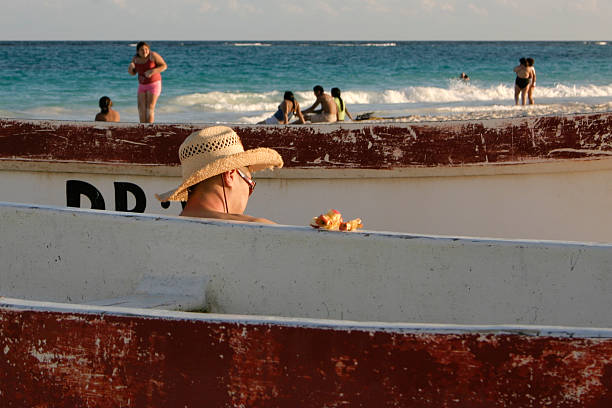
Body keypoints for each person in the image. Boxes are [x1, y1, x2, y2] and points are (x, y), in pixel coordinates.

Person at [156, 126, 283, 224]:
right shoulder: (258, 227)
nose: (249, 193)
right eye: (250, 185)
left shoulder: (160, 228)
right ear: (230, 175)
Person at [128, 41, 167, 123]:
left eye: (146, 49)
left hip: (154, 84)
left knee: (150, 107)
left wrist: (152, 71)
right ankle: (142, 128)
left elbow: (164, 66)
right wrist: (130, 68)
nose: (144, 51)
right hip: (142, 85)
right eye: (142, 49)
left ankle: (149, 128)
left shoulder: (153, 56)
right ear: (138, 51)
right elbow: (133, 73)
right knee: (141, 108)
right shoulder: (135, 59)